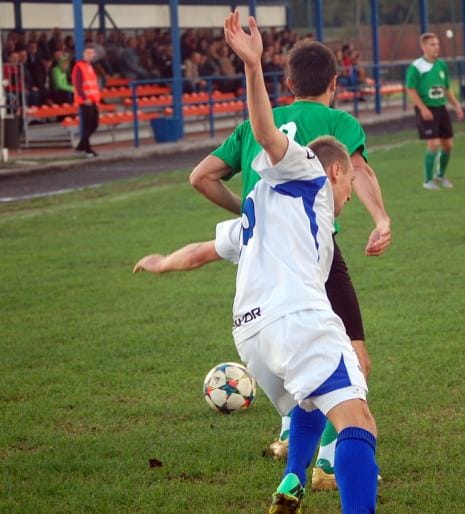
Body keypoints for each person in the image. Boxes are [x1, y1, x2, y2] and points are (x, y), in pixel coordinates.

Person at [134, 17, 380, 514]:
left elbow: (204, 251)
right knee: (359, 423)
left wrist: (163, 263)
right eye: (350, 181)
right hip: (295, 320)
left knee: (308, 405)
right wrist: (252, 66)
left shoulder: (259, 212)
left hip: (251, 337)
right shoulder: (309, 173)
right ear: (335, 170)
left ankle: (292, 481)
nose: (351, 191)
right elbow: (268, 135)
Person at [405, 32, 464, 191]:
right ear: (423, 47)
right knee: (433, 143)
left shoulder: (441, 65)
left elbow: (446, 89)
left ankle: (440, 175)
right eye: (432, 44)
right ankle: (427, 180)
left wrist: (456, 105)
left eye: (437, 44)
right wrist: (423, 108)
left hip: (441, 108)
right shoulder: (417, 66)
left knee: (448, 145)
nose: (436, 47)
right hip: (426, 108)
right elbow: (410, 90)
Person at [71, 45, 101, 157]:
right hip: (86, 101)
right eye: (87, 53)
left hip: (92, 100)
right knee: (89, 125)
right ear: (84, 54)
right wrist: (84, 98)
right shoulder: (79, 66)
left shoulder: (90, 66)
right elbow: (77, 85)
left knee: (94, 124)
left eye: (91, 53)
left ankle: (81, 146)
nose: (90, 55)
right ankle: (87, 149)